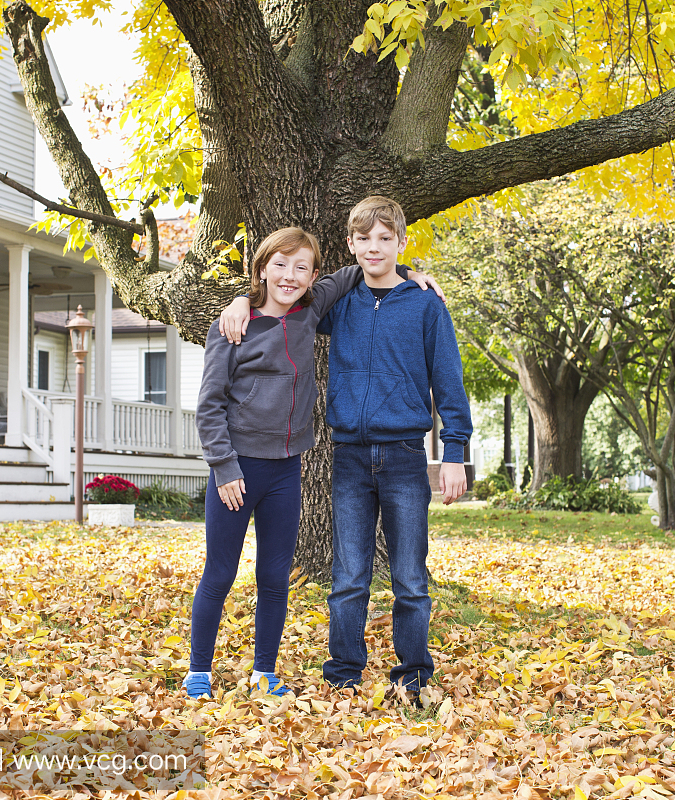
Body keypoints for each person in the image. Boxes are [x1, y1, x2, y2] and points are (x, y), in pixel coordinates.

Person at [188, 226, 440, 700]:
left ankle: (264, 670)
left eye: (301, 267)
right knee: (220, 572)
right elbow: (209, 406)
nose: (289, 275)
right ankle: (199, 668)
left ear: (314, 276)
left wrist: (409, 273)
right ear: (261, 268)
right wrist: (223, 467)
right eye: (279, 265)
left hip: (286, 469)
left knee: (274, 575)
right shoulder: (232, 327)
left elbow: (361, 268)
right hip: (237, 471)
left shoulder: (310, 311)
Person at [316, 195, 472, 699]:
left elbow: (449, 382)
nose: (375, 247)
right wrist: (237, 302)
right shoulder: (338, 304)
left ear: (402, 242)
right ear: (351, 245)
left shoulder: (426, 305)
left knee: (409, 575)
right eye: (364, 239)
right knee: (349, 575)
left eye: (386, 238)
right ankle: (343, 674)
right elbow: (282, 300)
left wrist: (454, 453)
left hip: (405, 456)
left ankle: (413, 675)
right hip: (350, 457)